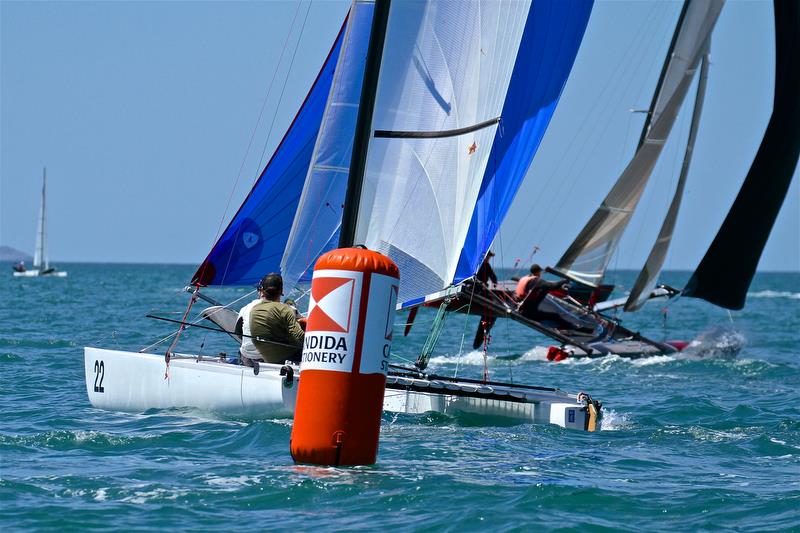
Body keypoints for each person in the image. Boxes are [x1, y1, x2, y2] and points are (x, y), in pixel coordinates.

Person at [249, 273, 306, 364]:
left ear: (262, 291)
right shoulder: (285, 309)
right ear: (281, 291)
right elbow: (300, 337)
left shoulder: (254, 309)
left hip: (268, 358)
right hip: (288, 357)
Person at [515, 264, 573, 329]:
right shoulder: (536, 280)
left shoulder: (525, 278)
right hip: (528, 312)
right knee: (555, 316)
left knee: (544, 288)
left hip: (519, 304)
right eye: (540, 272)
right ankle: (570, 326)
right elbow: (553, 286)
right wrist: (565, 280)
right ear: (538, 272)